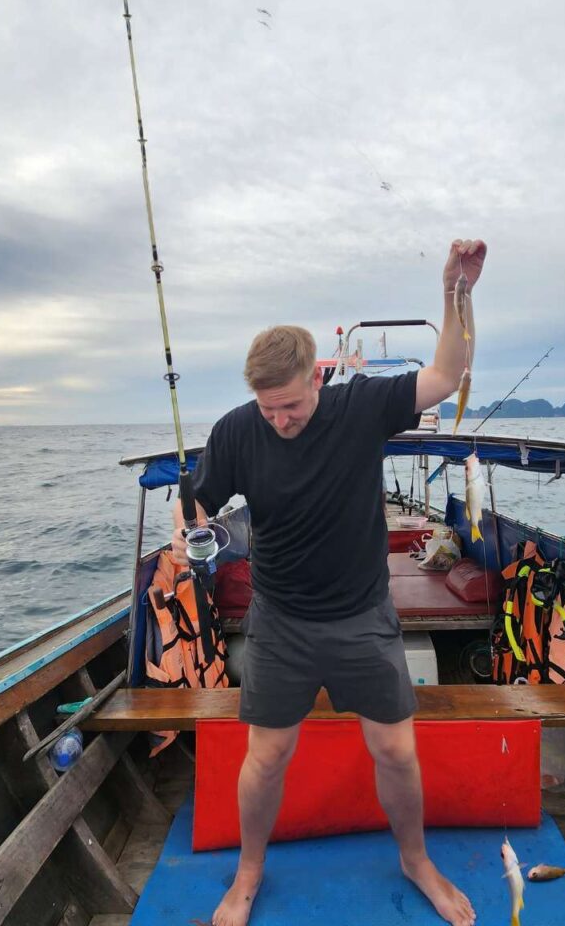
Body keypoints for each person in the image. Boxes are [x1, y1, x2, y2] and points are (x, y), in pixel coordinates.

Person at [172, 239, 486, 926]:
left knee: (396, 750)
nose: (279, 420)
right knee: (268, 755)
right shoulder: (236, 431)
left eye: (290, 405)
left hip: (360, 613)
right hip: (281, 618)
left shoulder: (361, 408)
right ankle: (250, 871)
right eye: (268, 409)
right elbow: (199, 503)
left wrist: (456, 293)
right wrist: (188, 524)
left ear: (317, 377)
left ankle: (415, 859)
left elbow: (448, 370)